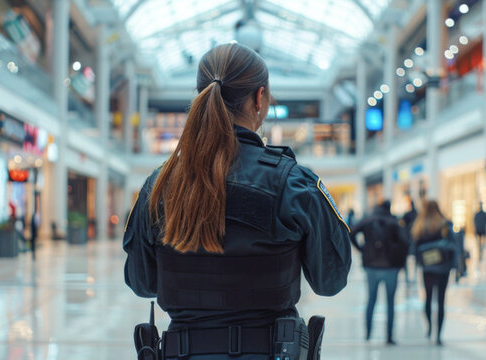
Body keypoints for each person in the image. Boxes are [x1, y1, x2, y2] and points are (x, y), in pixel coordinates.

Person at [123, 43, 352, 359]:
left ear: (199, 96)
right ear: (260, 99)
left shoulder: (161, 185)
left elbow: (142, 283)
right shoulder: (293, 183)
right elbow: (330, 281)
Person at [350, 201, 409, 345]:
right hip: (390, 267)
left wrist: (362, 250)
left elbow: (351, 233)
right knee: (390, 302)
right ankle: (389, 337)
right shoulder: (393, 221)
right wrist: (400, 262)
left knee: (371, 300)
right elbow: (405, 242)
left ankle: (368, 334)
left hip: (371, 266)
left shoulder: (367, 220)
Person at [412, 200, 455, 346]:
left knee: (428, 298)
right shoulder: (444, 223)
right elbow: (452, 245)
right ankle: (439, 335)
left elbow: (415, 247)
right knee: (441, 300)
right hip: (443, 267)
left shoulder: (420, 225)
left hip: (427, 267)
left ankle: (430, 327)